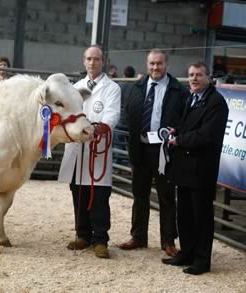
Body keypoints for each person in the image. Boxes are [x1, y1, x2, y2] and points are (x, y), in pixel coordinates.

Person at [120, 48, 189, 256]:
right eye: (152, 63)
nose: (155, 67)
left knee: (166, 198)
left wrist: (176, 132)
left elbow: (185, 119)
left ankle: (168, 241)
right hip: (140, 149)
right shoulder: (137, 87)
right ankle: (138, 237)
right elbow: (128, 115)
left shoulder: (179, 90)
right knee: (139, 195)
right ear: (147, 64)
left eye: (159, 63)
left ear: (166, 65)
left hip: (164, 151)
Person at [163, 62, 229, 275]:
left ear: (208, 77)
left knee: (201, 216)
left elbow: (206, 135)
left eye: (199, 75)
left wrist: (179, 140)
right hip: (184, 167)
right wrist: (176, 130)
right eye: (191, 75)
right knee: (185, 215)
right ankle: (187, 252)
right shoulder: (190, 98)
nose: (194, 79)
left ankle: (202, 260)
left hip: (202, 168)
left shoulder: (216, 103)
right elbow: (188, 125)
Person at [58, 45, 121, 259]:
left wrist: (99, 128)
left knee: (99, 195)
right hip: (77, 147)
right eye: (89, 59)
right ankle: (82, 234)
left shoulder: (112, 88)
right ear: (84, 61)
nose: (92, 63)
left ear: (103, 61)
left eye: (96, 59)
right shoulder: (75, 87)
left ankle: (100, 239)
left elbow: (112, 114)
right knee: (79, 191)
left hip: (97, 147)